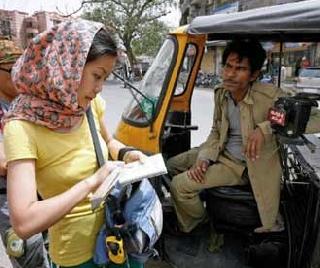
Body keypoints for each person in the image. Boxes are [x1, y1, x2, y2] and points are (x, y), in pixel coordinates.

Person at [3, 20, 146, 268]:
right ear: (68, 67)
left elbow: (108, 140)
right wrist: (92, 182)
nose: (99, 88)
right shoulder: (22, 128)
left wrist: (126, 153)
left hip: (118, 236)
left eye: (106, 78)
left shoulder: (89, 107)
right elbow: (24, 223)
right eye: (97, 76)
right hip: (77, 256)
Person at [167, 39, 320, 234]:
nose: (230, 74)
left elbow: (315, 117)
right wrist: (205, 158)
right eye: (228, 66)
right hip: (220, 152)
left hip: (242, 167)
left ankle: (199, 225)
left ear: (254, 75)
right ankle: (200, 204)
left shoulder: (269, 96)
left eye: (239, 69)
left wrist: (266, 128)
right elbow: (216, 130)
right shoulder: (222, 93)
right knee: (171, 165)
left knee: (180, 186)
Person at [0, 38, 50, 268]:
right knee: (31, 252)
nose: (21, 75)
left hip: (42, 187)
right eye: (13, 70)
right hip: (10, 198)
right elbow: (3, 162)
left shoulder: (27, 102)